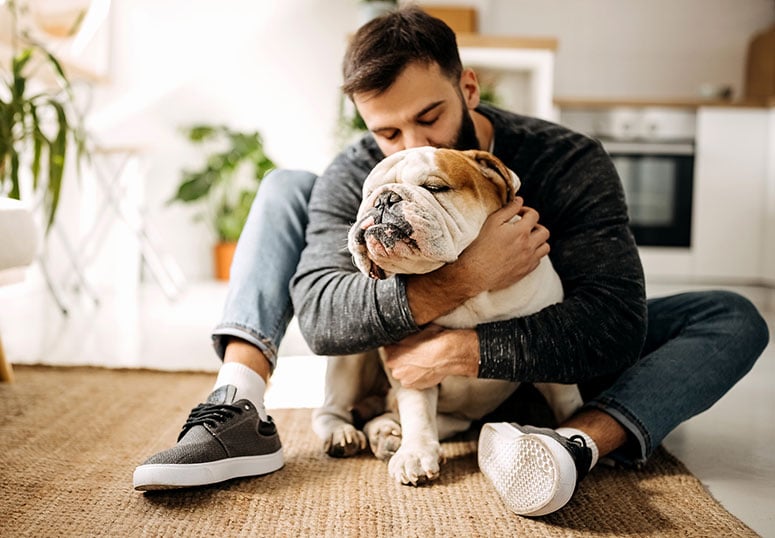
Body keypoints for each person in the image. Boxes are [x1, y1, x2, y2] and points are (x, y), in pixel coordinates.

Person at [133, 6, 769, 517]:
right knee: (284, 185)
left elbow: (613, 326)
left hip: (552, 366)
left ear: (469, 87)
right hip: (422, 380)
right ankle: (237, 401)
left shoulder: (568, 160)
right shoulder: (359, 170)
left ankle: (575, 443)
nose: (411, 145)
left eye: (429, 117)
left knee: (733, 315)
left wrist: (467, 351)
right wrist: (468, 276)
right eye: (387, 134)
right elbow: (325, 321)